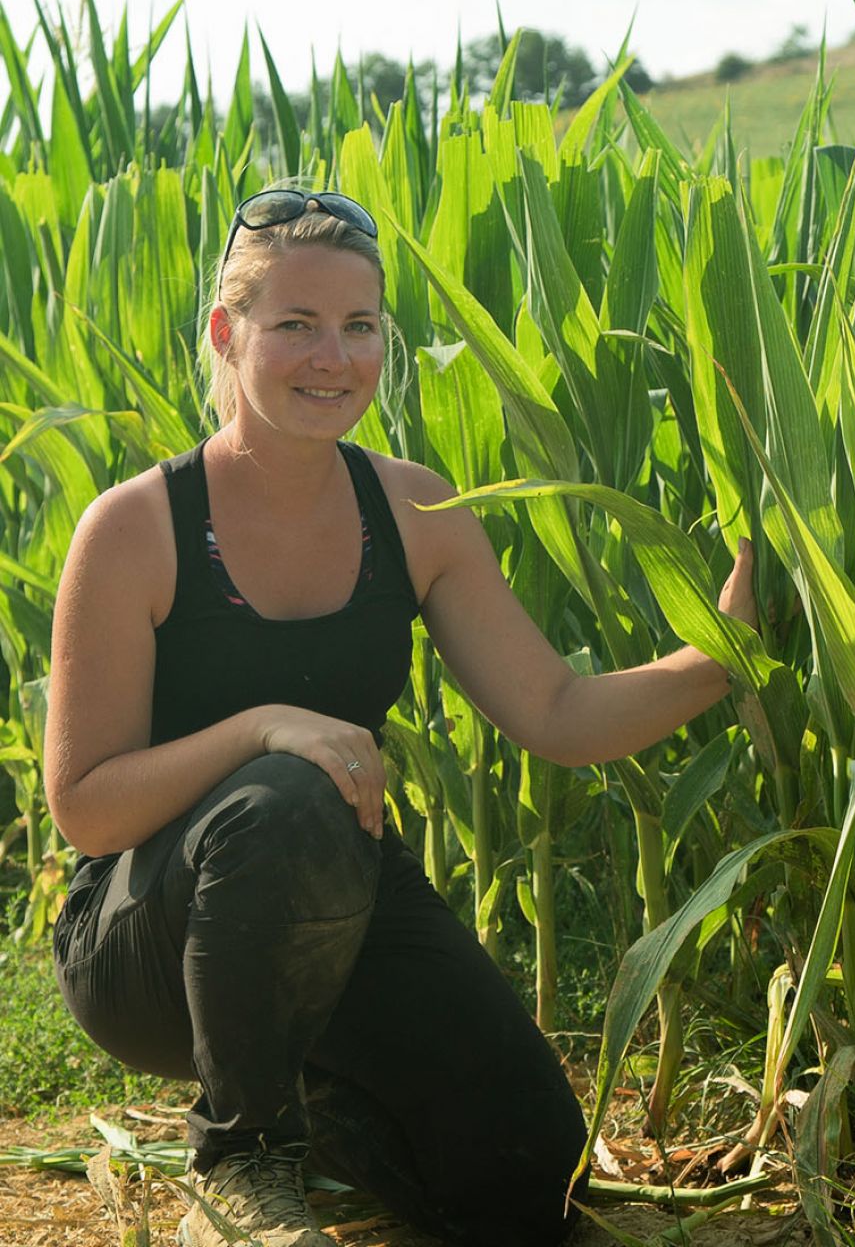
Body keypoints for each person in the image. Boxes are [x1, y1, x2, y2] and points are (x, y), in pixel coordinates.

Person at [43, 188, 756, 1247]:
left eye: (360, 327)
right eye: (295, 325)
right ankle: (237, 1164)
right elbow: (87, 812)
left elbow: (555, 711)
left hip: (337, 899)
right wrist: (262, 726)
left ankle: (327, 1118)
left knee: (531, 1171)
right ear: (226, 334)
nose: (333, 356)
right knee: (284, 794)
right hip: (147, 941)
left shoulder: (414, 510)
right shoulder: (140, 528)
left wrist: (727, 652)